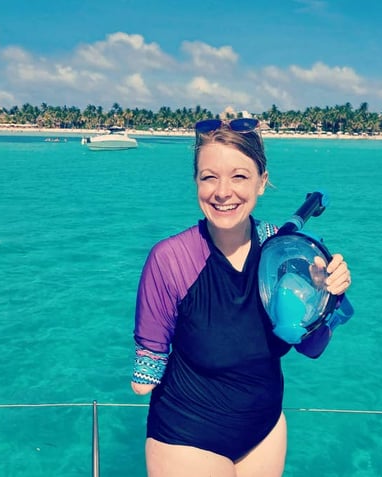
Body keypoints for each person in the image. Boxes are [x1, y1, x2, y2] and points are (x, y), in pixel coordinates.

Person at [131, 117, 352, 477]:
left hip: (264, 431)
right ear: (195, 182)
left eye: (239, 176)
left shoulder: (287, 254)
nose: (222, 192)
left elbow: (311, 348)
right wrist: (147, 364)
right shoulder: (170, 258)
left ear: (262, 183)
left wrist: (327, 297)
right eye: (209, 177)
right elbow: (145, 379)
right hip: (189, 436)